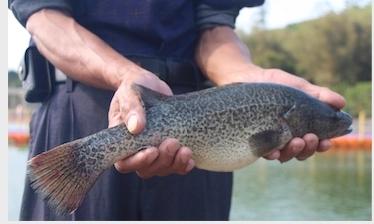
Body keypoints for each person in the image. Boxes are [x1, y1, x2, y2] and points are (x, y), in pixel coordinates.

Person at [9, 0, 346, 221]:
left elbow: (214, 28)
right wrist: (125, 75)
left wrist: (249, 78)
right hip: (79, 106)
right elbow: (44, 17)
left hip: (201, 119)